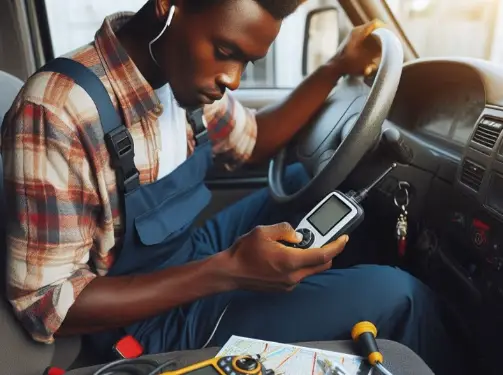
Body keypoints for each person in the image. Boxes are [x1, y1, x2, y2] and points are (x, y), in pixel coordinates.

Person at [1, 1, 461, 374]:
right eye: (226, 51)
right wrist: (229, 271)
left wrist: (336, 66)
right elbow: (47, 307)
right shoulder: (58, 111)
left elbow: (254, 140)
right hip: (141, 322)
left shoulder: (179, 78)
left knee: (310, 188)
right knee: (401, 296)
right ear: (169, 6)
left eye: (247, 61)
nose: (233, 80)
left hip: (192, 253)